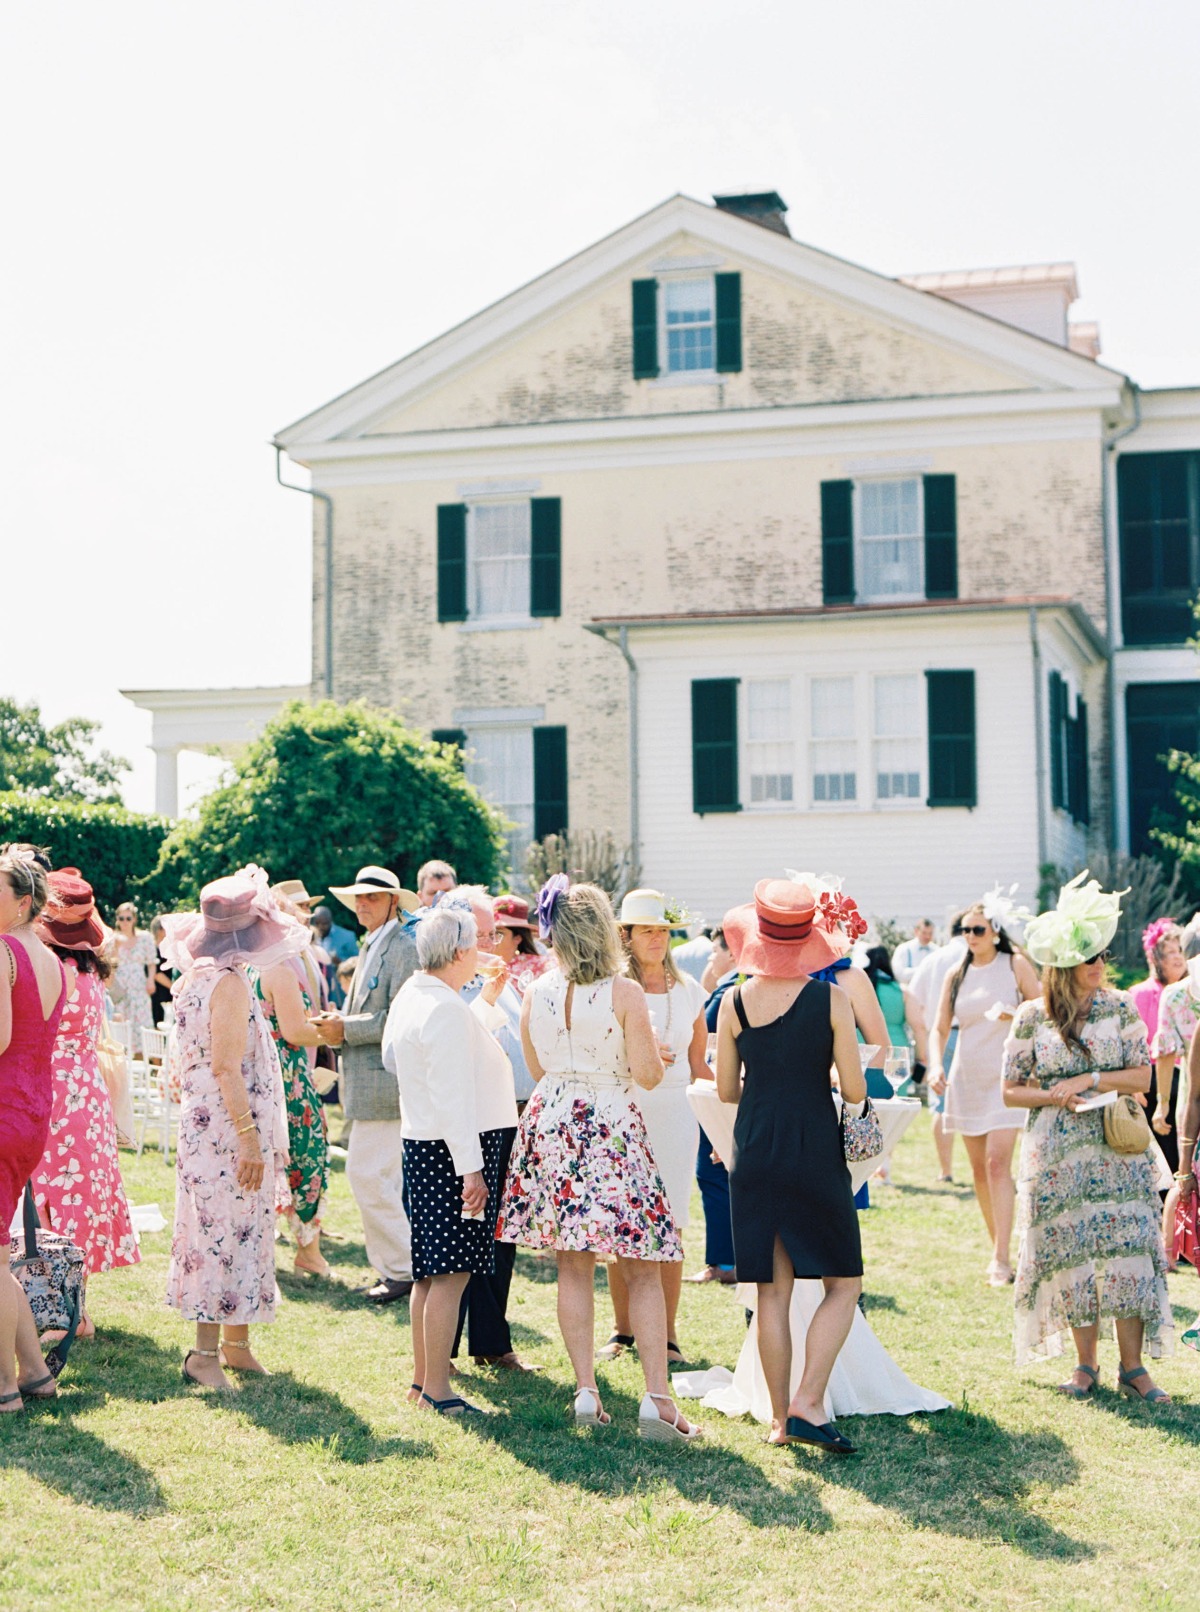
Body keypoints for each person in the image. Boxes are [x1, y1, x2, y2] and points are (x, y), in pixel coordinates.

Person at [498, 878, 701, 1441]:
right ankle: (658, 1400)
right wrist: (655, 1053)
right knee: (640, 1265)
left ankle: (587, 1389)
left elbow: (536, 1068)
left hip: (552, 1120)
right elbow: (648, 1075)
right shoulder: (624, 992)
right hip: (609, 1124)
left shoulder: (534, 990)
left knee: (573, 1264)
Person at [1003, 872, 1173, 1400]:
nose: (1101, 964)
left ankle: (1133, 1368)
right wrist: (1055, 1094)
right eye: (1090, 957)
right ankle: (1085, 1366)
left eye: (1103, 955)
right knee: (1072, 1251)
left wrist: (1090, 1079)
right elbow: (1010, 1090)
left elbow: (1142, 1078)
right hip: (1056, 1152)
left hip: (1117, 1149)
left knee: (1127, 1250)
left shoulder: (1121, 1007)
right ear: (1064, 964)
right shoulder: (1032, 1016)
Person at [715, 877, 867, 1453]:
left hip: (754, 1147)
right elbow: (853, 1089)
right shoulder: (832, 1000)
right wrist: (820, 1071)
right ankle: (809, 1400)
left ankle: (781, 1420)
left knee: (771, 1294)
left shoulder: (732, 1001)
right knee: (843, 1283)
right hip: (812, 1148)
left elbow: (727, 1090)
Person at [161, 867, 298, 1388]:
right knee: (220, 1235)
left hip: (206, 1123)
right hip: (224, 1128)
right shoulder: (229, 984)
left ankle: (237, 1344)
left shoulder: (194, 978)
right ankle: (203, 1354)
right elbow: (225, 1067)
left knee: (238, 1231)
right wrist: (247, 1138)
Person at [382, 902, 518, 1415]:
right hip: (451, 1150)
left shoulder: (418, 995)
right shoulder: (439, 1007)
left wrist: (486, 998)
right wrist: (472, 1169)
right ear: (460, 951)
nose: (483, 951)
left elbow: (419, 1056)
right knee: (451, 1274)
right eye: (476, 945)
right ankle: (437, 1387)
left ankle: (424, 1382)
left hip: (428, 1144)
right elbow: (452, 1093)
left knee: (430, 1274)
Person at [32, 869, 139, 1340]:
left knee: (53, 1193)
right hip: (86, 1088)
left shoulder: (51, 971)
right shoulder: (91, 971)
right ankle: (76, 1307)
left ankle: (64, 1314)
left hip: (53, 1086)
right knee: (77, 1195)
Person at [602, 889, 706, 1365]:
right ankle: (623, 1331)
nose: (658, 939)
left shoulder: (690, 991)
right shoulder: (609, 988)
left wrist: (722, 1119)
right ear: (625, 936)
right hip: (626, 1107)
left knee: (672, 1225)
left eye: (663, 930)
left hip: (677, 1112)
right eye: (647, 930)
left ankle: (667, 1336)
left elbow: (699, 1063)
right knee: (622, 1224)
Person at [313, 866, 420, 1305]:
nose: (362, 904)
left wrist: (345, 1028)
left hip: (385, 1081)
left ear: (395, 901)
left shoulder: (404, 945)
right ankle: (394, 1269)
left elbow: (402, 1015)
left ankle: (404, 1270)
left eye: (372, 898)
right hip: (370, 1079)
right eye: (358, 897)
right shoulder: (377, 941)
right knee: (372, 1178)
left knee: (369, 1177)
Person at [447, 890, 539, 1372]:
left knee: (501, 1237)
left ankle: (492, 1341)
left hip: (509, 1121)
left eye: (496, 933)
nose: (493, 942)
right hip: (467, 1124)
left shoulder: (504, 979)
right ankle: (446, 1346)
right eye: (484, 935)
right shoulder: (449, 989)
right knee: (463, 1237)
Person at [929, 894, 1040, 1284]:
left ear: (995, 931)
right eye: (965, 930)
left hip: (1008, 1078)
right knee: (979, 1171)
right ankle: (1002, 1248)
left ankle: (1001, 1258)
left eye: (978, 929)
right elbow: (939, 1027)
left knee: (997, 1163)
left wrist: (1017, 1014)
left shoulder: (1016, 964)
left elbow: (1043, 1008)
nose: (971, 936)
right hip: (967, 1077)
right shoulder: (955, 974)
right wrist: (933, 1065)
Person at [0, 845, 67, 1411]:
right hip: (32, 1113)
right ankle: (35, 1374)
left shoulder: (2, 951)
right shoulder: (48, 957)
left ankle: (2, 1389)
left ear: (22, 901)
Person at [251, 890, 331, 1279]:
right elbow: (296, 1031)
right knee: (306, 1160)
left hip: (266, 1078)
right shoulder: (278, 969)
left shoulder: (249, 966)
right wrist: (338, 1032)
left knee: (277, 1164)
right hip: (290, 1081)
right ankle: (309, 1252)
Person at [687, 928, 739, 1285]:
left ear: (732, 954)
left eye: (714, 952)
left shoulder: (727, 994)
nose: (709, 958)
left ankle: (723, 1261)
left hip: (720, 1093)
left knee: (713, 1174)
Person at [907, 912, 969, 1180]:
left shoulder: (933, 958)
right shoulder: (981, 956)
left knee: (940, 1104)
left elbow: (913, 1000)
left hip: (939, 1036)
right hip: (972, 1033)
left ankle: (946, 1170)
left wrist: (922, 1038)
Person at [1130, 918, 1187, 1175]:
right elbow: (1131, 1043)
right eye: (1170, 953)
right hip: (1152, 1083)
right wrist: (1133, 1087)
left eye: (1180, 951)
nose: (1177, 958)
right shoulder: (1140, 994)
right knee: (1165, 1160)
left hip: (1187, 1079)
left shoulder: (1191, 992)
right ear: (1155, 959)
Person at [107, 901, 156, 1033]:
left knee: (142, 1024)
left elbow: (151, 962)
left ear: (134, 919)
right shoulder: (112, 939)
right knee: (121, 1024)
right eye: (121, 918)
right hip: (120, 986)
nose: (125, 922)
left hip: (139, 985)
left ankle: (142, 1053)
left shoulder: (145, 937)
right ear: (117, 919)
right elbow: (110, 963)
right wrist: (116, 948)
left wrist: (151, 980)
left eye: (128, 918)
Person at [490, 895, 550, 995]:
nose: (492, 939)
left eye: (499, 933)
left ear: (517, 937)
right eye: (490, 933)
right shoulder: (479, 964)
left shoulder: (541, 966)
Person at [311, 905, 357, 1008]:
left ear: (331, 920)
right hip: (319, 993)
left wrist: (341, 962)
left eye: (324, 923)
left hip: (341, 994)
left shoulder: (347, 936)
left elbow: (358, 964)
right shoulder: (310, 936)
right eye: (317, 923)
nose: (321, 927)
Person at [149, 915, 175, 1025]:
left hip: (168, 994)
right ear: (160, 930)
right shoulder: (153, 949)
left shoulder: (168, 949)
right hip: (159, 995)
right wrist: (174, 987)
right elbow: (157, 974)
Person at [892, 920, 936, 985]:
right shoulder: (903, 949)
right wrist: (923, 970)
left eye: (930, 933)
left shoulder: (937, 950)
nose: (927, 937)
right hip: (909, 992)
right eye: (924, 933)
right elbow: (899, 975)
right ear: (916, 931)